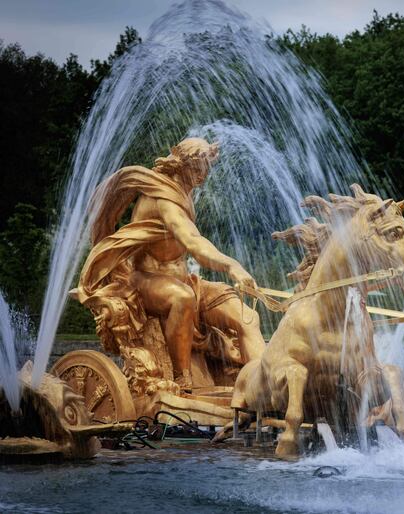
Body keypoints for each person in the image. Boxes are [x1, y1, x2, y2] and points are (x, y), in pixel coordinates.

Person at [75, 138, 265, 390]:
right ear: (181, 164)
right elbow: (193, 241)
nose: (203, 173)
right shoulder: (163, 197)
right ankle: (182, 378)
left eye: (207, 166)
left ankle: (262, 386)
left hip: (186, 280)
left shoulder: (185, 191)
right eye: (198, 166)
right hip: (146, 281)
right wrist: (232, 266)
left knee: (247, 316)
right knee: (182, 298)